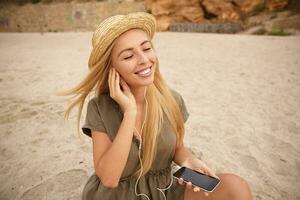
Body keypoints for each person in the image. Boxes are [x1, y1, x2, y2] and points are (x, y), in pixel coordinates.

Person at [58, 12, 252, 200]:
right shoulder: (99, 108)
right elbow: (109, 178)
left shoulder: (172, 99)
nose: (144, 60)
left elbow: (177, 147)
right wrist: (130, 113)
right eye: (128, 56)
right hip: (117, 195)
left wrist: (188, 161)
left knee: (235, 187)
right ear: (112, 69)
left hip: (164, 190)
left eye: (146, 48)